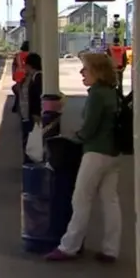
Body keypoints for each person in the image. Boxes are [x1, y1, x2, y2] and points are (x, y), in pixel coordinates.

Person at [44, 53, 121, 263]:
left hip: (95, 153)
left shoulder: (96, 95)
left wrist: (72, 138)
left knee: (80, 199)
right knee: (110, 201)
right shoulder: (111, 93)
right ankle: (111, 249)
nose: (81, 72)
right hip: (113, 153)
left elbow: (89, 129)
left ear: (97, 71)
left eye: (85, 69)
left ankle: (68, 247)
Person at [18, 52, 42, 164]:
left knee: (30, 143)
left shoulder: (38, 78)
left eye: (25, 64)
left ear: (30, 65)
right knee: (29, 142)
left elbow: (38, 98)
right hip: (28, 115)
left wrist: (36, 114)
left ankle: (30, 166)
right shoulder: (31, 77)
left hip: (33, 116)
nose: (24, 67)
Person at [12, 41, 30, 113]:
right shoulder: (30, 55)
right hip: (27, 75)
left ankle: (16, 107)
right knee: (25, 93)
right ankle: (21, 108)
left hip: (18, 75)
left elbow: (14, 66)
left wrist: (14, 75)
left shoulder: (17, 55)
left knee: (19, 92)